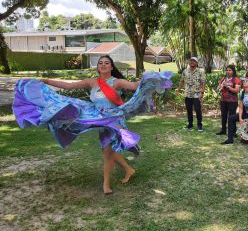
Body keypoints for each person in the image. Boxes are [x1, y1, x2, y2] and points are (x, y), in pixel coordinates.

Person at [12, 55, 172, 194]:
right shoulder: (92, 82)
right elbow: (68, 86)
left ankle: (106, 185)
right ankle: (128, 169)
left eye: (106, 63)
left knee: (107, 152)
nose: (103, 65)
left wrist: (148, 78)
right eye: (100, 63)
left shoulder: (117, 82)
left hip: (114, 119)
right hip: (100, 119)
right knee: (106, 152)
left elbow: (135, 86)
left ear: (111, 67)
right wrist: (46, 80)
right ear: (98, 67)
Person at [221, 77, 248, 151]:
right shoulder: (242, 93)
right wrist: (240, 118)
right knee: (231, 118)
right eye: (243, 81)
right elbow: (241, 108)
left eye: (246, 81)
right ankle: (230, 139)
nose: (244, 82)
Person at [176, 57, 206, 131]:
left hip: (197, 94)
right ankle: (190, 124)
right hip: (187, 94)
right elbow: (182, 81)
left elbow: (203, 82)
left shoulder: (200, 71)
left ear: (197, 63)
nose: (192, 62)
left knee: (198, 110)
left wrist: (202, 92)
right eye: (190, 61)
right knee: (189, 110)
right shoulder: (185, 71)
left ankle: (199, 125)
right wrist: (179, 89)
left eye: (194, 61)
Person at [216, 65, 241, 135]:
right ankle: (223, 130)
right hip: (223, 100)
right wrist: (220, 87)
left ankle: (233, 132)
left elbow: (236, 90)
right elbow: (217, 89)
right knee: (223, 116)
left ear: (233, 71)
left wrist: (228, 87)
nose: (228, 72)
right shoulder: (223, 79)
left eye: (230, 70)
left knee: (232, 116)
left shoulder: (236, 79)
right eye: (227, 70)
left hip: (232, 101)